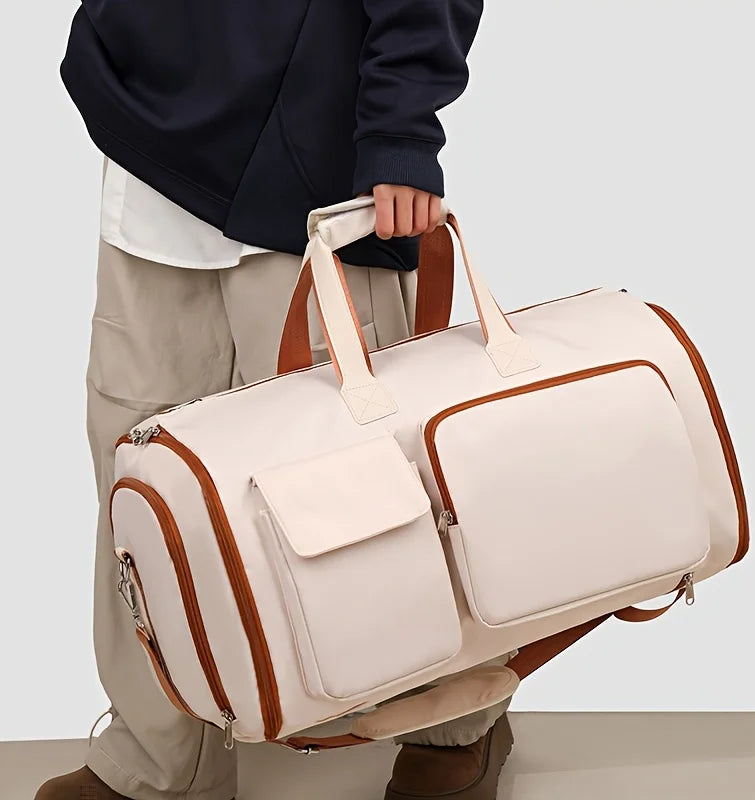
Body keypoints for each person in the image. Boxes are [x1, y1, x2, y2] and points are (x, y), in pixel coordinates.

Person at [38, 2, 515, 799]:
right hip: (147, 142)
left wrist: (400, 127)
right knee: (143, 486)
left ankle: (452, 717)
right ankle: (163, 759)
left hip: (314, 160)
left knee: (364, 484)